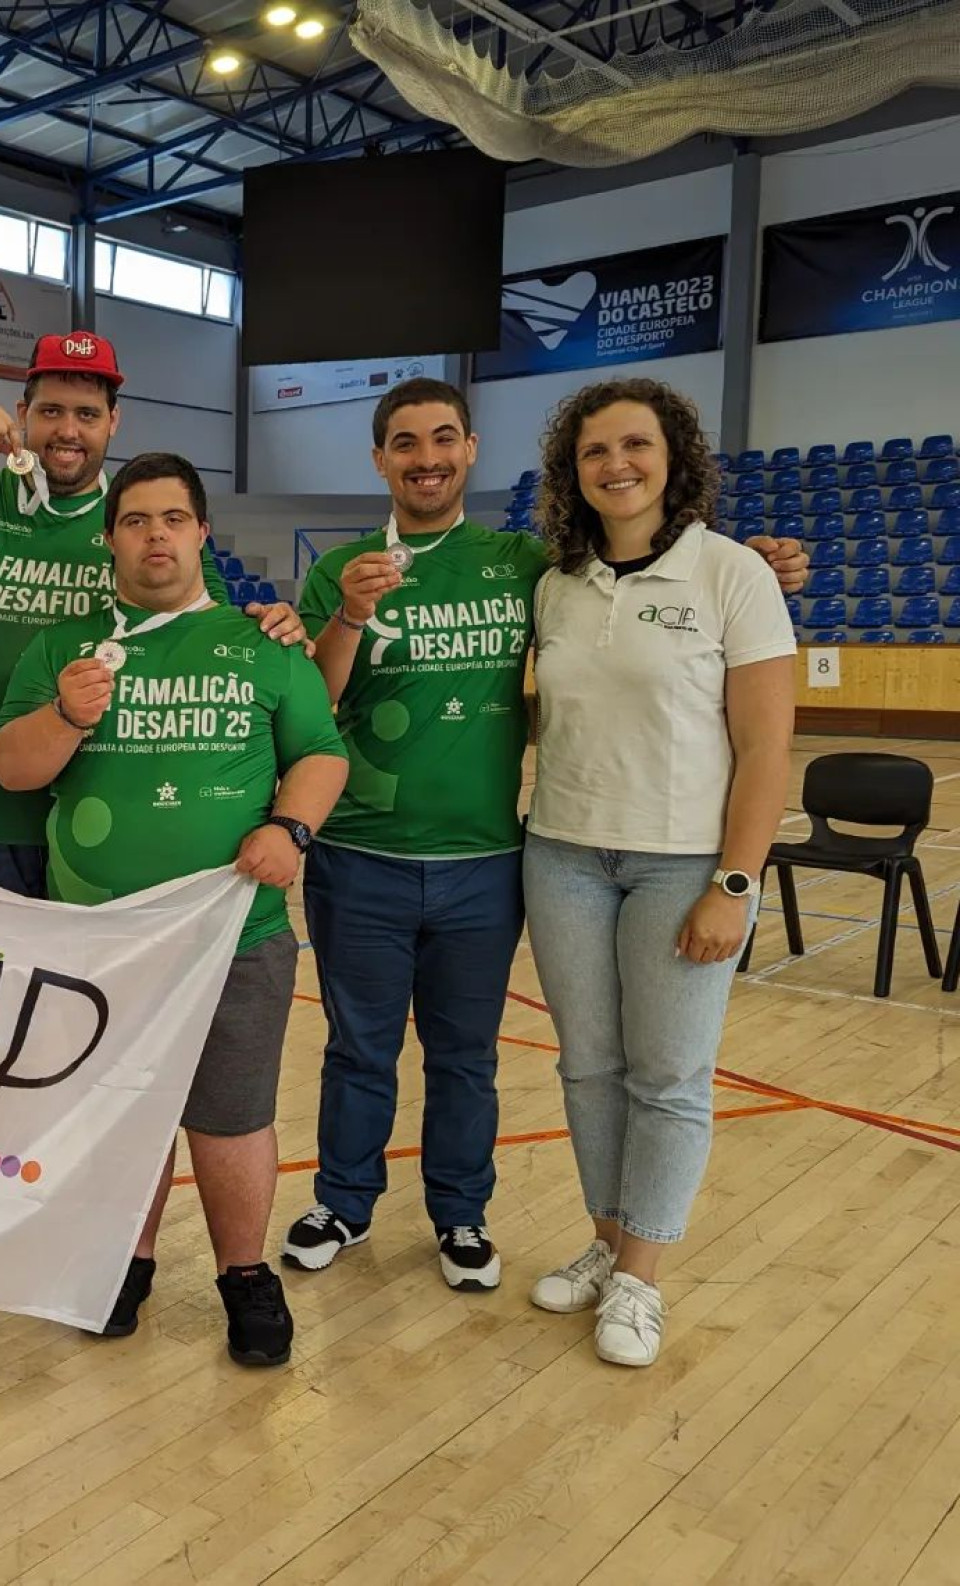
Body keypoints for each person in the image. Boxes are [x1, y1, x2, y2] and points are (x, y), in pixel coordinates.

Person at [289, 379, 807, 1294]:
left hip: (492, 860)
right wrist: (348, 616)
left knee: (471, 1055)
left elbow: (655, 566)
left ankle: (465, 1215)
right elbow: (314, 703)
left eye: (443, 438)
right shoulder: (359, 570)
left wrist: (758, 562)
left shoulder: (526, 564)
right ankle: (347, 1202)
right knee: (368, 1049)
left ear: (471, 449)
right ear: (379, 459)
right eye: (405, 443)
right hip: (390, 854)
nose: (426, 458)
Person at [0, 452, 348, 1365]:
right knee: (121, 1111)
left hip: (236, 932)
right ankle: (128, 1259)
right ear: (110, 539)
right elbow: (13, 769)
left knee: (233, 1114)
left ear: (202, 533)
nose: (157, 535)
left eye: (174, 519)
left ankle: (244, 1275)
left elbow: (320, 751)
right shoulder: (61, 650)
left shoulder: (265, 642)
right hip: (103, 943)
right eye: (137, 520)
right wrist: (65, 717)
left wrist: (292, 829)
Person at [0, 330, 303, 898]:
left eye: (87, 414)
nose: (68, 430)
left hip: (108, 819)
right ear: (23, 414)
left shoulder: (140, 528)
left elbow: (216, 640)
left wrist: (278, 623)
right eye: (51, 411)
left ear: (113, 422)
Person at [522, 378, 794, 1367]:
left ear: (673, 457)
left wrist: (734, 884)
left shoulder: (732, 573)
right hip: (561, 852)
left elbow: (765, 748)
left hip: (681, 865)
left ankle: (641, 1276)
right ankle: (607, 1238)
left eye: (635, 444)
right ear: (573, 471)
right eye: (595, 450)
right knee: (588, 1066)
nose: (616, 464)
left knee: (668, 1075)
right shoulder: (555, 584)